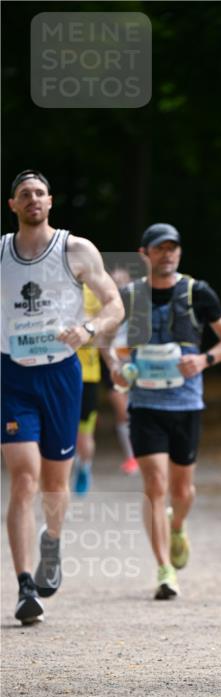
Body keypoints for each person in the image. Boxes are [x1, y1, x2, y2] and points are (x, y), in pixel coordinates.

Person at [1, 169, 124, 623]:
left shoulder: (76, 249)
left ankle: (51, 540)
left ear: (50, 201)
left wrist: (89, 328)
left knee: (55, 482)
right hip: (12, 375)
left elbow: (114, 304)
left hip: (61, 376)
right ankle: (23, 586)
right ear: (12, 205)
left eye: (39, 193)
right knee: (24, 477)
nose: (32, 199)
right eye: (23, 194)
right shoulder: (1, 253)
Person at [110, 223, 221, 600]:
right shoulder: (129, 297)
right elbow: (106, 339)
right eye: (160, 248)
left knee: (182, 491)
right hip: (145, 405)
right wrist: (116, 366)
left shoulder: (197, 292)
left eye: (173, 248)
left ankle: (177, 524)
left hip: (185, 405)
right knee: (155, 485)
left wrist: (204, 359)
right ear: (144, 254)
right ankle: (165, 570)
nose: (168, 254)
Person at [99, 266, 139, 475]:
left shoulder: (140, 309)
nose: (119, 285)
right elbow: (101, 341)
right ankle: (131, 457)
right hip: (115, 368)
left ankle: (144, 452)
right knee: (122, 413)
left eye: (123, 281)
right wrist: (112, 361)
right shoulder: (106, 310)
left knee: (140, 411)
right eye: (115, 281)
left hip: (138, 367)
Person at [71, 283, 104, 495]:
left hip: (88, 375)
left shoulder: (95, 291)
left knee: (83, 433)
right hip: (56, 372)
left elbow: (104, 332)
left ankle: (83, 466)